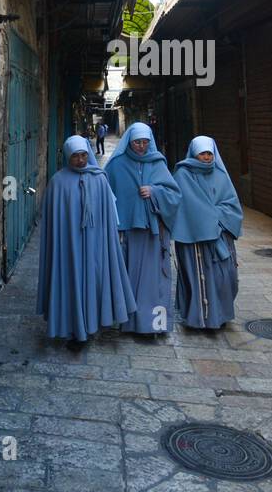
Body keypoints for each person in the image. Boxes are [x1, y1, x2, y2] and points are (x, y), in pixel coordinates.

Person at [36, 135, 136, 350]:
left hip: (95, 243)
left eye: (83, 155)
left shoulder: (100, 179)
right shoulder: (58, 182)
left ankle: (93, 323)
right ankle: (73, 328)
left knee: (95, 279)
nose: (80, 160)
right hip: (68, 247)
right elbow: (52, 220)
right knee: (70, 280)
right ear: (67, 157)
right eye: (75, 156)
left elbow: (108, 216)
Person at [104, 122, 181, 338]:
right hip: (126, 234)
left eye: (145, 142)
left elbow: (175, 195)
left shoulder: (157, 163)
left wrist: (154, 192)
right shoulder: (116, 165)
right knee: (126, 278)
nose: (141, 146)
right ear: (129, 141)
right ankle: (127, 322)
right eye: (137, 142)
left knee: (152, 281)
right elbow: (105, 193)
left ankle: (151, 324)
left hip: (151, 233)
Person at [170, 135, 243, 330]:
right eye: (202, 153)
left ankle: (221, 314)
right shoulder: (183, 174)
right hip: (194, 239)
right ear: (195, 153)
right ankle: (199, 319)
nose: (207, 157)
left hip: (220, 236)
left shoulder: (220, 175)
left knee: (226, 278)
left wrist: (216, 216)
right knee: (198, 278)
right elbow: (184, 205)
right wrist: (206, 217)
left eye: (209, 153)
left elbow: (232, 205)